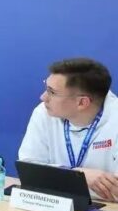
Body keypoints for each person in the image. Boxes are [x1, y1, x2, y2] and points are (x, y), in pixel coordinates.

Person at [19, 58, 118, 201]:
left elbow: (115, 190)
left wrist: (55, 178)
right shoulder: (43, 112)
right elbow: (29, 171)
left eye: (52, 92)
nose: (43, 97)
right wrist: (78, 175)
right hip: (53, 202)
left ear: (82, 102)